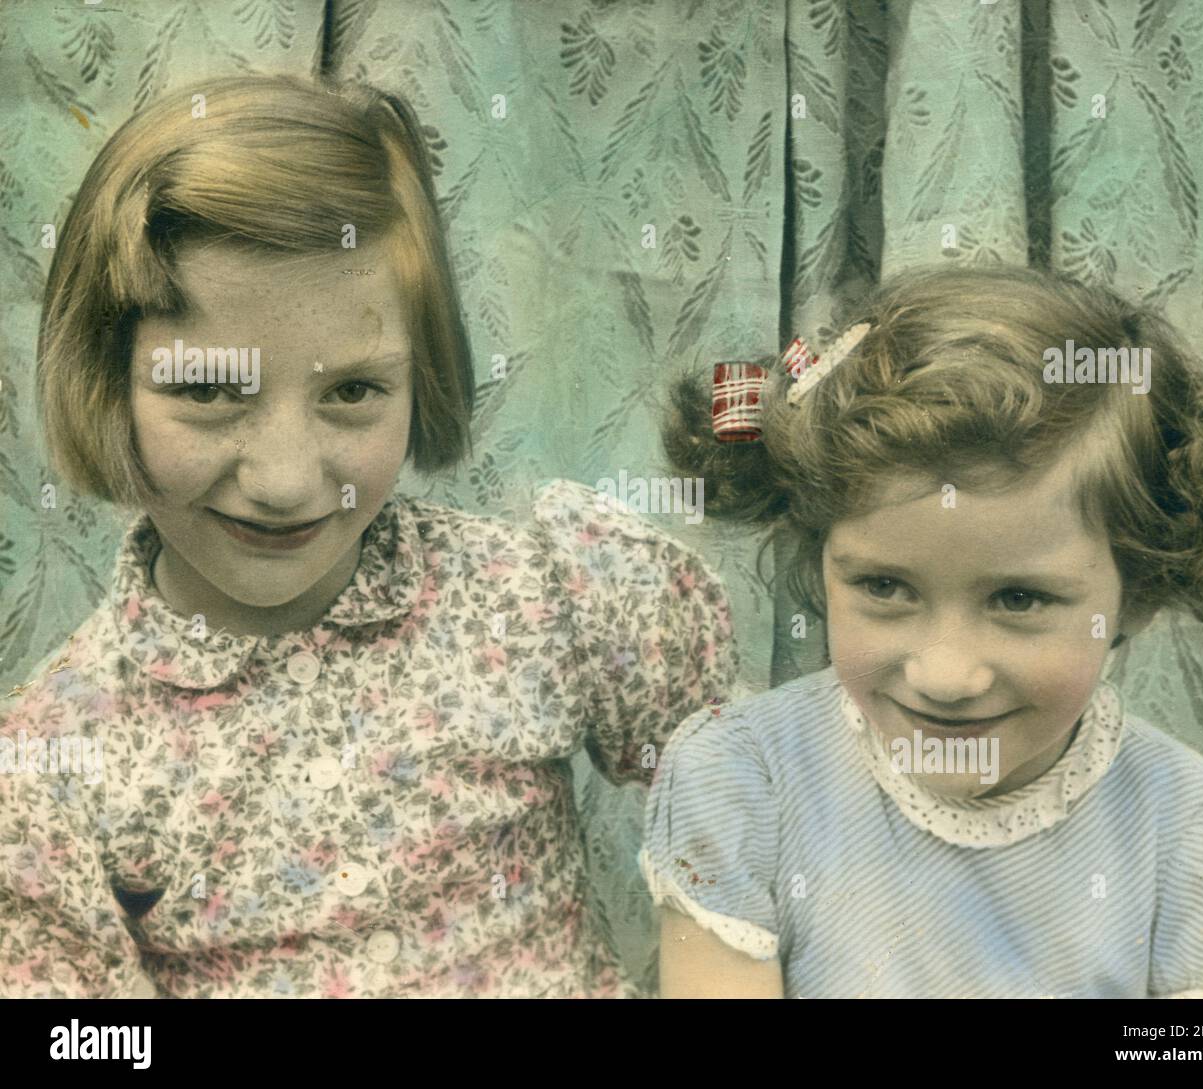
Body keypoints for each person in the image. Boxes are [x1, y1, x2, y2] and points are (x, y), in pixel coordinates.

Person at [0, 74, 736, 998]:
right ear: (106, 385)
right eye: (208, 390)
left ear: (418, 376)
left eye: (351, 391)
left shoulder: (541, 595)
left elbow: (757, 788)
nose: (285, 480)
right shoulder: (53, 765)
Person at [643, 265, 1203, 998]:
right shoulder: (742, 779)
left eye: (1019, 598)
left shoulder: (1198, 835)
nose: (945, 675)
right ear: (821, 557)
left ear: (1137, 592)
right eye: (884, 586)